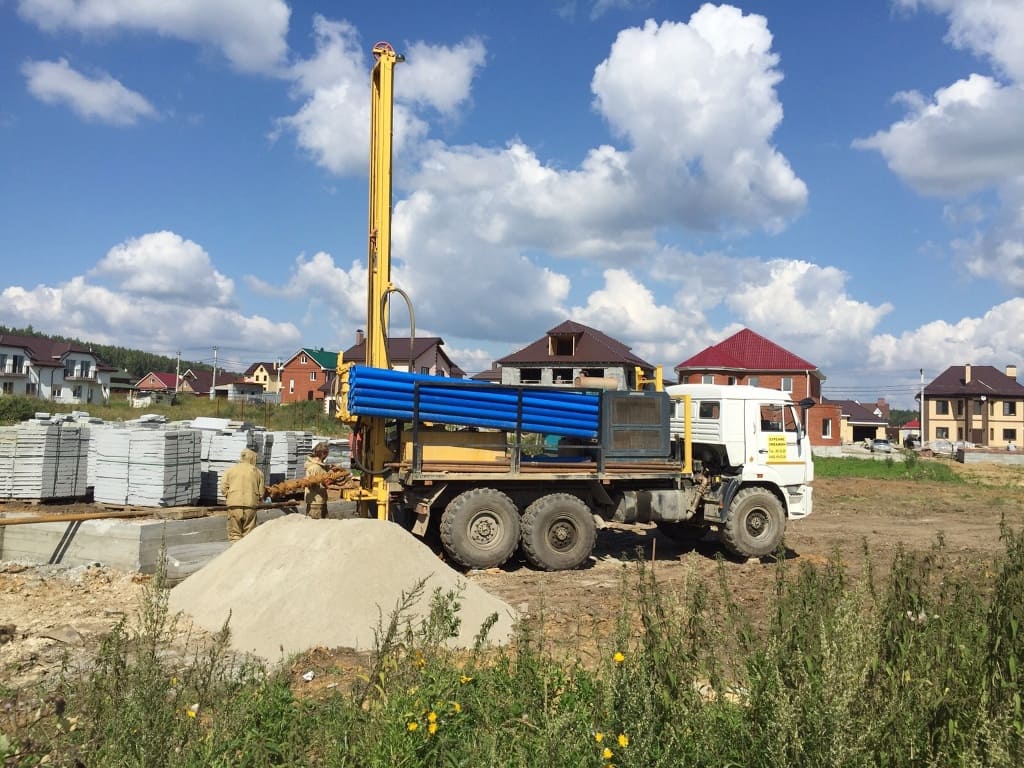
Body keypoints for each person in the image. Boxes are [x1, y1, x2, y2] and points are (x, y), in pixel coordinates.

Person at [219, 448, 266, 542]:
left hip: (234, 504)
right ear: (253, 458)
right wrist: (257, 498)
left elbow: (223, 487)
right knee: (248, 534)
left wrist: (230, 495)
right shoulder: (257, 472)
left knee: (234, 534)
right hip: (250, 505)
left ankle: (234, 553)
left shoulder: (231, 470)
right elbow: (261, 492)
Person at [304, 442, 335, 519]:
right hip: (316, 502)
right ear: (322, 453)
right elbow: (313, 483)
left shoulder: (318, 465)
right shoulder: (315, 467)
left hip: (320, 500)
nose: (326, 456)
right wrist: (326, 483)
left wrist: (329, 469)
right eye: (326, 454)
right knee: (315, 526)